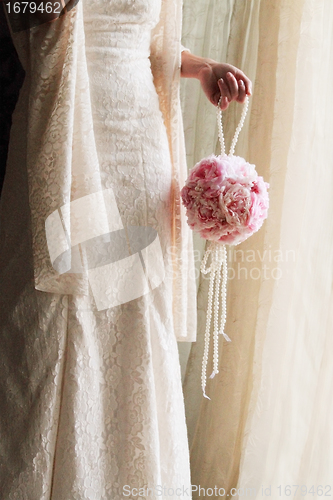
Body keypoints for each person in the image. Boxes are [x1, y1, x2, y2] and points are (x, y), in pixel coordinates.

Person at [0, 0, 251, 498]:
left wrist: (202, 67)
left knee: (133, 315)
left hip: (139, 148)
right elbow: (31, 14)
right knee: (55, 311)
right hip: (66, 140)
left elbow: (152, 40)